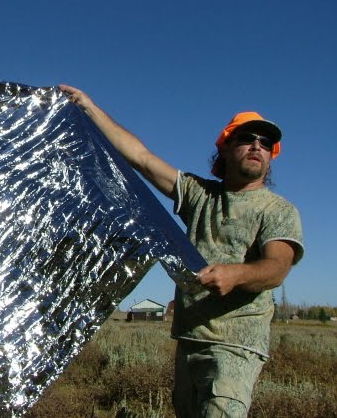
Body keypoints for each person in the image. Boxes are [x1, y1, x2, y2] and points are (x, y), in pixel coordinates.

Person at [58, 84, 304, 418]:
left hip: (235, 347)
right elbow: (141, 159)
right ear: (226, 147)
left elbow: (277, 266)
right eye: (247, 138)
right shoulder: (200, 195)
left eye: (265, 143)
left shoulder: (278, 210)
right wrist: (88, 107)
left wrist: (237, 274)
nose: (257, 146)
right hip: (190, 341)